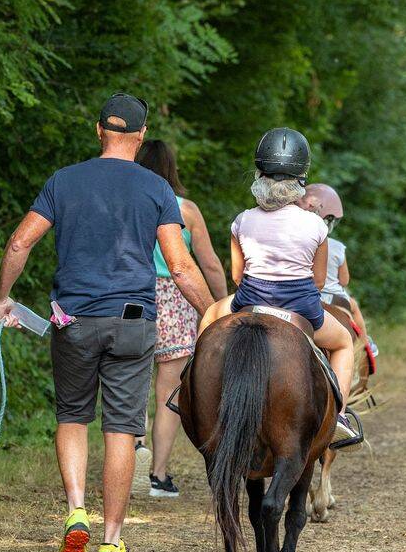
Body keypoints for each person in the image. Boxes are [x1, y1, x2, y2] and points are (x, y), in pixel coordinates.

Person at [0, 93, 214, 552]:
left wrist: (3, 297)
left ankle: (76, 512)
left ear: (99, 131)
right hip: (133, 323)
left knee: (72, 416)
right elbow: (179, 266)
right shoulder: (157, 188)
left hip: (73, 321)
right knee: (121, 429)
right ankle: (111, 544)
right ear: (141, 134)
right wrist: (213, 313)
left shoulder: (64, 180)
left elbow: (20, 242)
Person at [199, 127, 360, 444]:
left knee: (208, 318)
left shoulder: (243, 219)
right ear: (301, 178)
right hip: (300, 305)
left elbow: (237, 276)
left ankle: (190, 389)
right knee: (343, 343)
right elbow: (317, 280)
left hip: (251, 300)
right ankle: (339, 417)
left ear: (260, 174)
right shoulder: (315, 224)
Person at [130, 140, 227, 498]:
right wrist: (220, 305)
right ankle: (158, 475)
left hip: (133, 295)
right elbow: (210, 263)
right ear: (172, 169)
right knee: (168, 390)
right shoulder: (186, 209)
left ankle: (134, 451)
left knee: (132, 381)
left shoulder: (128, 203)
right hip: (176, 299)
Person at [300, 183, 376, 358]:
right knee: (353, 306)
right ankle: (366, 343)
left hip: (300, 293)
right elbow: (344, 281)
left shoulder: (296, 241)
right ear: (328, 219)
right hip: (331, 297)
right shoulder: (337, 247)